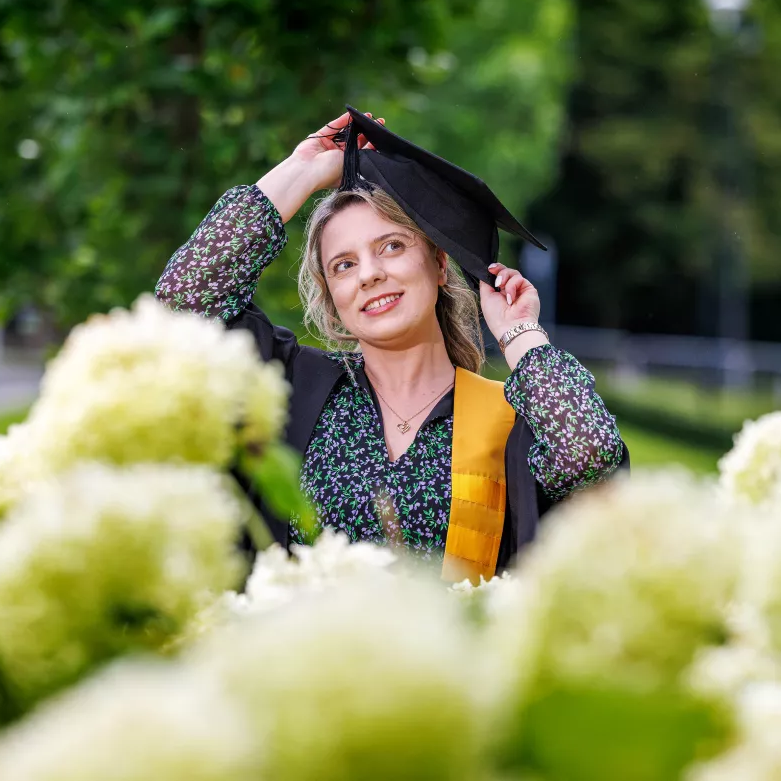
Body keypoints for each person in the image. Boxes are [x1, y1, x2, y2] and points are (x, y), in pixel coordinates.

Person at [156, 107, 628, 582]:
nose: (369, 274)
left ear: (440, 264)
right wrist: (306, 171)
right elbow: (183, 303)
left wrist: (520, 335)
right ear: (332, 297)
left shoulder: (504, 422)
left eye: (392, 246)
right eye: (343, 265)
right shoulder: (290, 389)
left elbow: (590, 456)